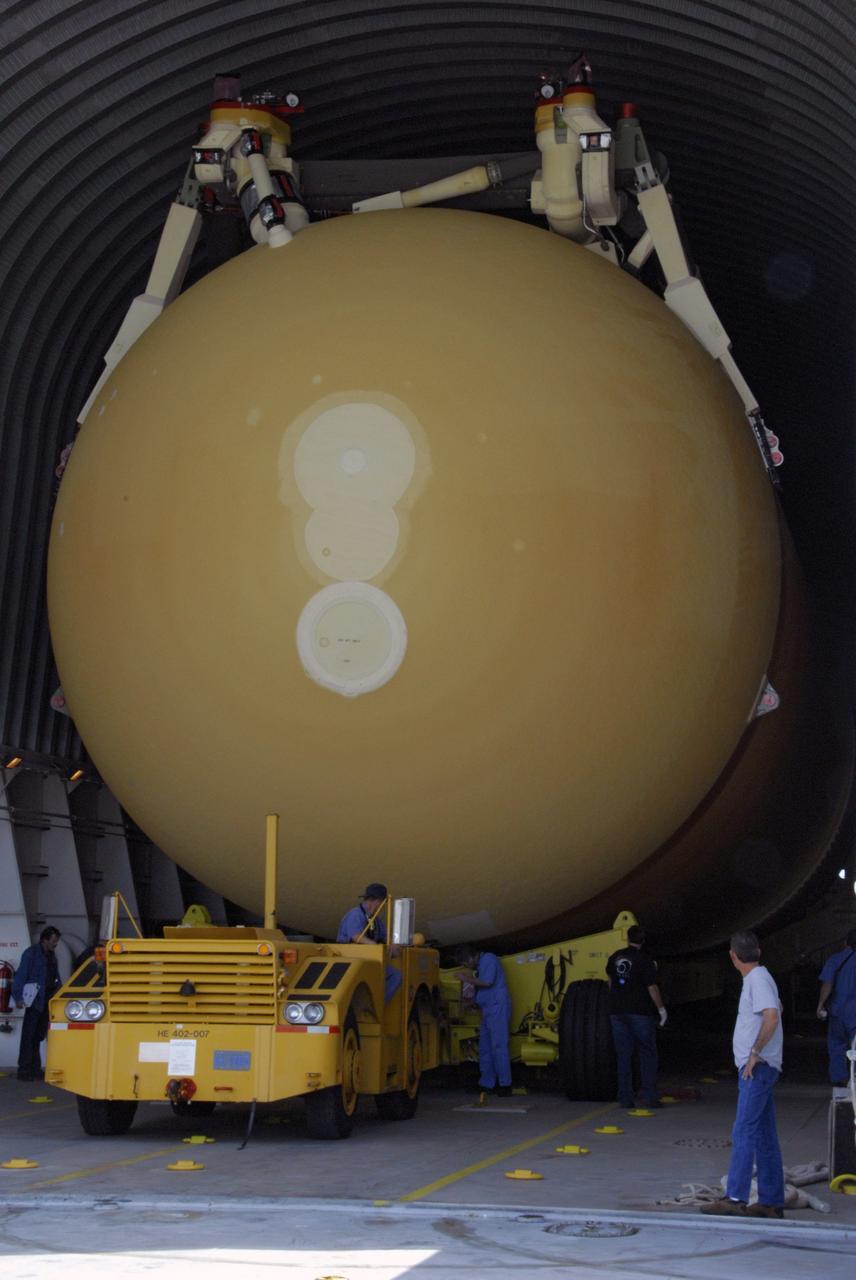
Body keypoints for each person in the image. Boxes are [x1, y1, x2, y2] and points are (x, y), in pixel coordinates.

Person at [701, 929, 785, 1219]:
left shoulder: (757, 979)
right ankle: (771, 1201)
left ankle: (735, 1196)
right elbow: (777, 1010)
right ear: (758, 951)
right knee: (764, 1135)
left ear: (733, 957)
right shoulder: (760, 979)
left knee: (744, 1129)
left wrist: (755, 1053)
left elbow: (772, 1016)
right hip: (760, 1065)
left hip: (757, 1068)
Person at [606, 924, 667, 1109]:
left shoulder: (615, 957)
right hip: (640, 1013)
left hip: (617, 1013)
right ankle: (649, 1096)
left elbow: (610, 982)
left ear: (627, 938)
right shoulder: (645, 960)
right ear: (643, 940)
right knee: (647, 1053)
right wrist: (661, 1009)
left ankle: (625, 1097)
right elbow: (652, 987)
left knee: (623, 1055)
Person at [458, 944, 513, 1096]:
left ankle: (505, 1084)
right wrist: (472, 1002)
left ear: (472, 957)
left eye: (465, 962)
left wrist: (466, 979)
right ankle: (487, 1083)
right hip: (488, 1010)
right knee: (485, 1048)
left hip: (497, 1008)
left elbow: (487, 982)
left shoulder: (489, 959)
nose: (466, 966)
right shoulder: (480, 967)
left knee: (499, 1046)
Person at [11, 926, 62, 1081]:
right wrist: (18, 997)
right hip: (33, 1001)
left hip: (46, 1000)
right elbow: (21, 976)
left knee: (38, 1036)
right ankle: (24, 1069)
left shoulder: (51, 956)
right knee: (29, 1036)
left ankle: (34, 1068)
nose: (55, 944)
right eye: (53, 941)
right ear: (44, 940)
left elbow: (56, 978)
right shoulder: (31, 954)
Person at [337, 883, 402, 1002]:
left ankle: (376, 1002)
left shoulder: (375, 919)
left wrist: (393, 943)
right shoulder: (356, 914)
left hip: (369, 960)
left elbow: (385, 935)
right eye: (383, 903)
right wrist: (375, 946)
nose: (383, 907)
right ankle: (377, 1003)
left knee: (394, 974)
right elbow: (356, 937)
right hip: (350, 959)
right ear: (377, 901)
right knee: (394, 976)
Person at [816, 927, 856, 1093]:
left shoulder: (835, 960)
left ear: (845, 942)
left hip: (838, 1012)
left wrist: (820, 1005)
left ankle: (840, 1083)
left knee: (837, 1047)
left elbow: (827, 984)